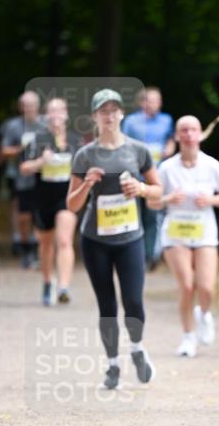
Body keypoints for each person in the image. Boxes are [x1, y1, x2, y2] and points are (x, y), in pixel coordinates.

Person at [67, 89, 161, 389]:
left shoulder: (138, 150)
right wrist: (87, 185)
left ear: (122, 114)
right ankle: (111, 366)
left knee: (133, 302)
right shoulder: (85, 154)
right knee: (107, 306)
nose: (109, 116)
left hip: (130, 237)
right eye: (103, 111)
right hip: (96, 241)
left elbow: (158, 191)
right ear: (95, 116)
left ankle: (136, 348)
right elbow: (71, 204)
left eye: (114, 110)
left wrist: (141, 190)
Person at [150, 115, 219, 357]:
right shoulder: (166, 168)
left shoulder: (211, 165)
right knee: (186, 286)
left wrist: (211, 200)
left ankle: (204, 314)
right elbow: (152, 203)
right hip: (175, 232)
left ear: (200, 134)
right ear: (176, 136)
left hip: (205, 231)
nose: (188, 134)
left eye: (193, 130)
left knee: (206, 287)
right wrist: (167, 199)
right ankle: (188, 337)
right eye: (183, 130)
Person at [19, 97, 81, 305]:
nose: (56, 115)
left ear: (66, 115)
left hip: (66, 198)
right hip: (43, 197)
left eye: (60, 111)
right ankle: (47, 282)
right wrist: (40, 161)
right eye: (51, 111)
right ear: (46, 116)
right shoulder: (38, 140)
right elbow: (24, 168)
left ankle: (63, 287)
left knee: (64, 240)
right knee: (46, 245)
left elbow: (82, 168)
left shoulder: (74, 140)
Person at [122, 87, 175, 268]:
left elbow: (171, 139)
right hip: (135, 176)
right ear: (142, 102)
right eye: (150, 100)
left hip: (158, 177)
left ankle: (150, 256)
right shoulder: (130, 122)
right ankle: (135, 255)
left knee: (153, 216)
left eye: (157, 100)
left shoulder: (166, 120)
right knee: (135, 217)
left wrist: (170, 146)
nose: (153, 104)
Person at [0, 90, 44, 267]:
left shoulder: (45, 124)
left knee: (39, 215)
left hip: (43, 178)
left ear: (38, 107)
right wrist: (21, 148)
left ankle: (37, 250)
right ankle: (25, 246)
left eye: (32, 105)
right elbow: (4, 151)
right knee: (24, 216)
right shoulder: (13, 126)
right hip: (22, 177)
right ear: (20, 108)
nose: (29, 109)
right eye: (26, 106)